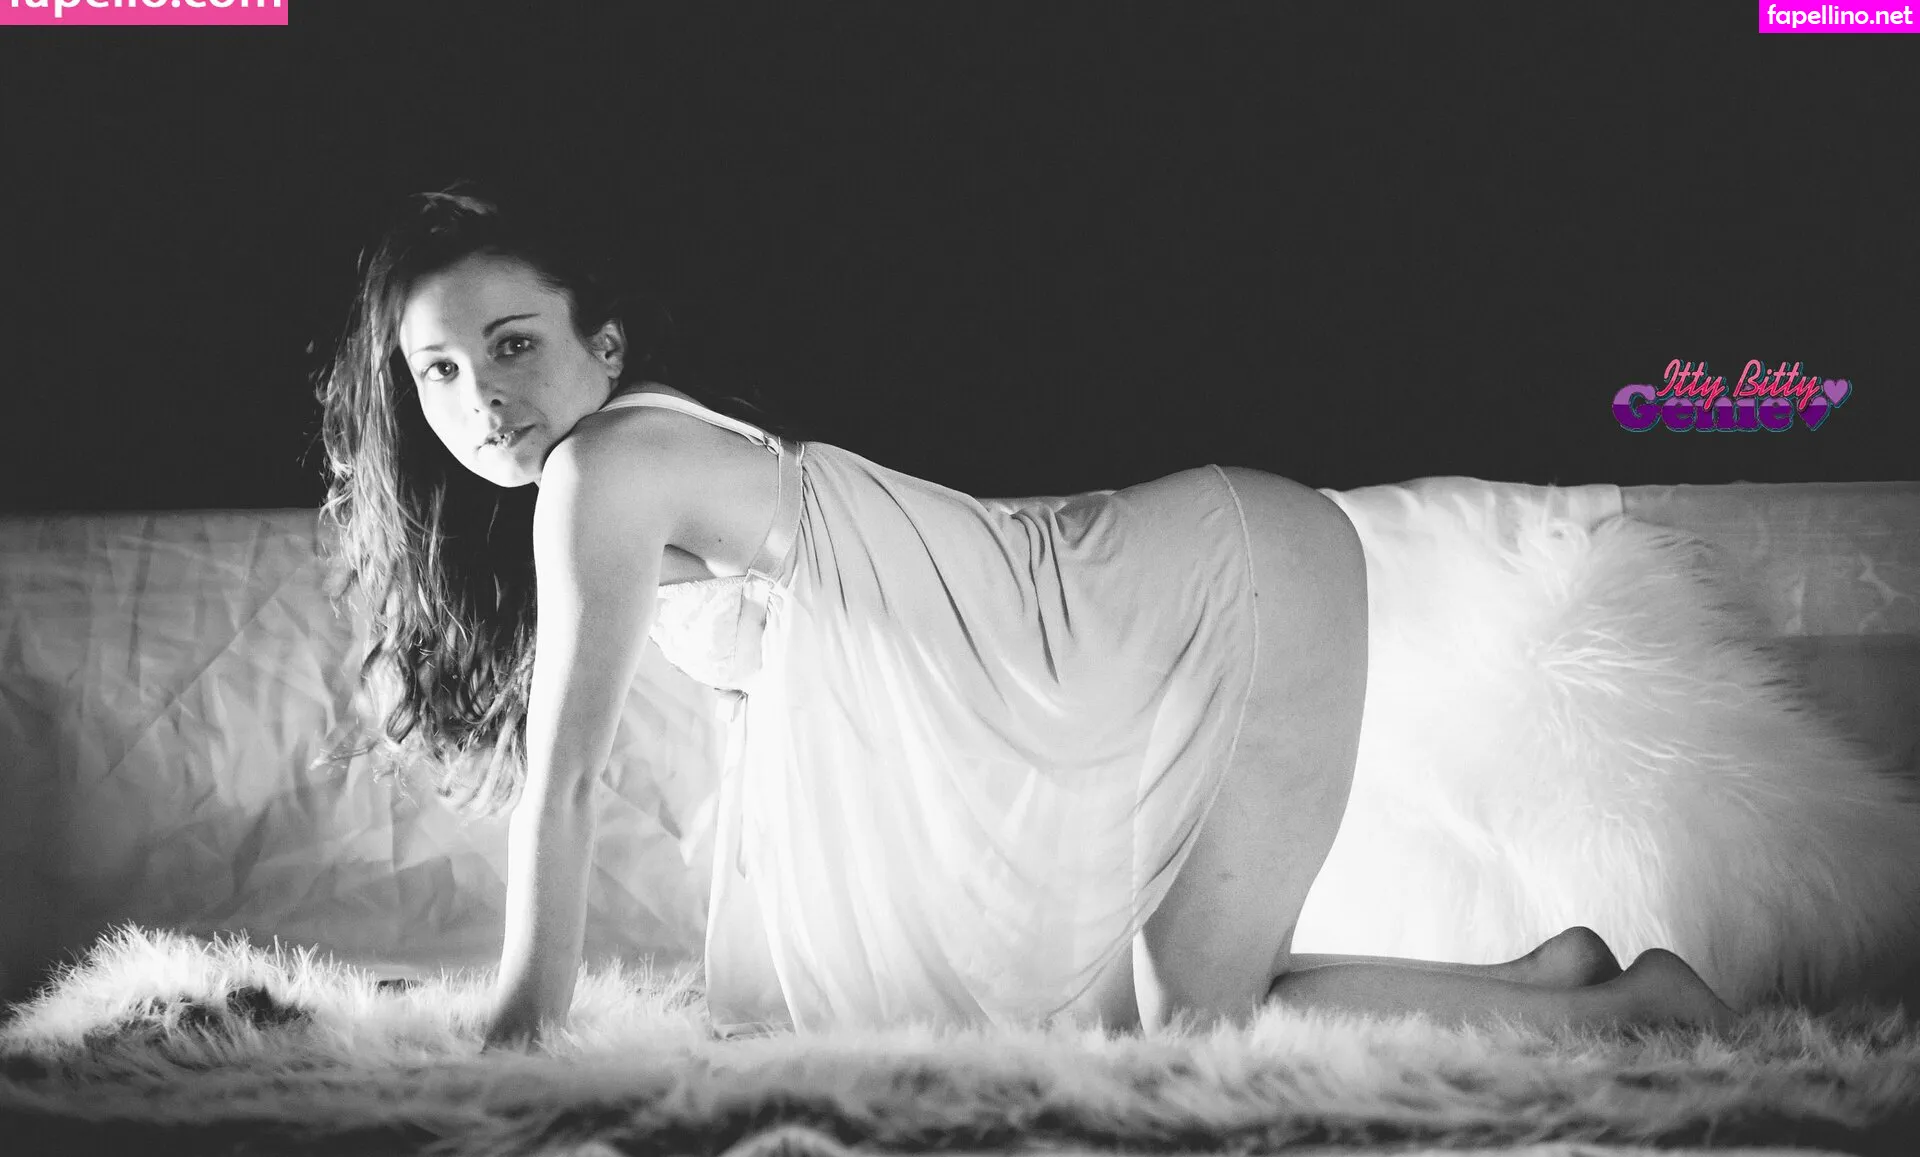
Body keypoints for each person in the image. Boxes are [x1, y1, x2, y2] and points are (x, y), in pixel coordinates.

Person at [315, 184, 1740, 1051]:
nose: (482, 398)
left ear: (605, 345)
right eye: (438, 372)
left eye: (514, 345)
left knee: (1197, 1038)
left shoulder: (604, 469)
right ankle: (1560, 985)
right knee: (1176, 1023)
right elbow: (792, 736)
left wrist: (519, 1036)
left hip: (1219, 581)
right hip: (1222, 562)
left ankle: (1634, 1016)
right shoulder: (643, 457)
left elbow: (564, 783)